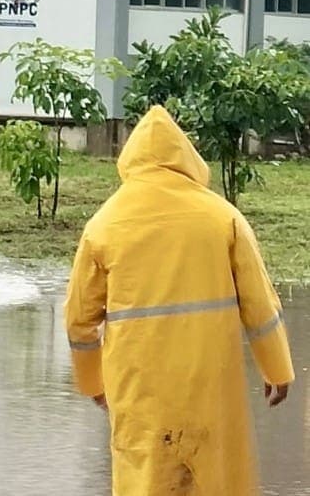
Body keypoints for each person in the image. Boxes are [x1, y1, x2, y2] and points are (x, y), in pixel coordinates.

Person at [63, 105, 294, 495]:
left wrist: (93, 382)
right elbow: (259, 303)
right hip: (210, 383)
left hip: (138, 387)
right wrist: (277, 368)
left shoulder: (103, 225)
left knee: (144, 478)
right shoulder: (223, 217)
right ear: (187, 157)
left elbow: (79, 320)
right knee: (217, 477)